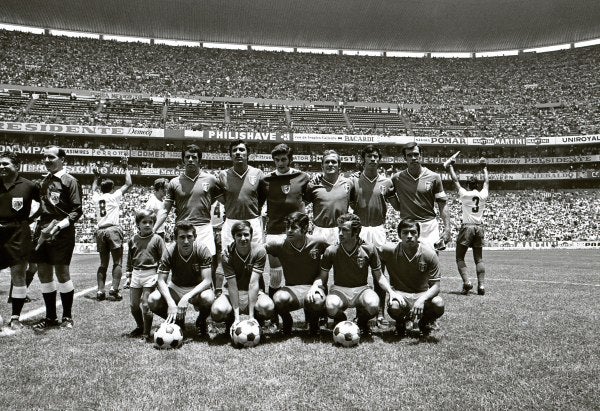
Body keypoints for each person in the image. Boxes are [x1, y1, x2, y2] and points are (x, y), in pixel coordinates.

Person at [30, 145, 83, 330]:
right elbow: (42, 208)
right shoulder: (44, 182)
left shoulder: (70, 181)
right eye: (44, 157)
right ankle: (50, 317)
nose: (46, 161)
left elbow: (77, 211)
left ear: (62, 159)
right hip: (42, 230)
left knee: (62, 273)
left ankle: (67, 317)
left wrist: (59, 226)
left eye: (51, 157)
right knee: (44, 273)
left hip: (61, 232)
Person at [154, 144, 222, 263]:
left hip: (204, 227)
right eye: (187, 157)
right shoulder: (174, 182)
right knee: (184, 265)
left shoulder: (211, 179)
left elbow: (222, 200)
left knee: (207, 264)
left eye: (194, 157)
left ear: (199, 160)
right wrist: (154, 229)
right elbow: (165, 210)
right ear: (183, 160)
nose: (190, 160)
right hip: (183, 229)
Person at [378, 218, 445, 337]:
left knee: (438, 303)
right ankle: (401, 323)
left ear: (418, 234)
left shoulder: (429, 253)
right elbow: (375, 262)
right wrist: (391, 291)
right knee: (394, 306)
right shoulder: (388, 250)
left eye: (413, 232)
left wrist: (422, 299)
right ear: (399, 235)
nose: (409, 236)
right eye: (405, 233)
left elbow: (436, 286)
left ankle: (424, 322)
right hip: (400, 294)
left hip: (422, 294)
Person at [350, 145, 394, 326]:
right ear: (363, 159)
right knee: (358, 272)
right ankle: (361, 312)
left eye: (376, 156)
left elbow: (397, 205)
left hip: (378, 229)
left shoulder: (387, 182)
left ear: (379, 159)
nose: (373, 159)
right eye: (369, 156)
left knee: (379, 272)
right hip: (360, 229)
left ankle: (380, 313)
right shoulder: (354, 181)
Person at [265, 212, 328, 336]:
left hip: (313, 287)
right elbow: (255, 249)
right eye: (287, 227)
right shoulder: (279, 244)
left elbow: (336, 251)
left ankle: (314, 324)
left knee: (316, 299)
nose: (289, 231)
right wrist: (231, 248)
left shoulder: (318, 242)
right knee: (278, 298)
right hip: (291, 289)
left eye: (293, 227)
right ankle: (287, 322)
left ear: (305, 229)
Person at [320, 213, 383, 335]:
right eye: (339, 229)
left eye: (344, 230)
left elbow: (379, 276)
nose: (340, 233)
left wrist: (391, 292)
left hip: (362, 290)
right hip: (339, 290)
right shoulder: (331, 250)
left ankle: (361, 322)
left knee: (374, 304)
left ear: (355, 232)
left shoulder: (368, 249)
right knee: (331, 305)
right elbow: (322, 278)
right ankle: (341, 320)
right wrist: (315, 287)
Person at [148, 220, 214, 336]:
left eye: (189, 237)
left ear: (195, 237)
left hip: (197, 289)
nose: (186, 241)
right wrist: (171, 302)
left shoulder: (202, 249)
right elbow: (161, 280)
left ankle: (201, 321)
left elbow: (207, 281)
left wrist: (187, 297)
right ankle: (178, 321)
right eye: (182, 237)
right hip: (176, 287)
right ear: (175, 238)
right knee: (153, 300)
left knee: (208, 298)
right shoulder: (169, 251)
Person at [262, 144, 310, 302]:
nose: (280, 163)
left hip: (297, 231)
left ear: (290, 159)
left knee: (300, 271)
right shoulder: (266, 180)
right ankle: (273, 314)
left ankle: (310, 311)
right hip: (275, 230)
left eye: (283, 159)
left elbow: (309, 198)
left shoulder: (302, 177)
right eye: (276, 160)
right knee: (275, 273)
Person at [211, 221, 274, 333]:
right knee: (217, 311)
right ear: (233, 237)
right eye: (239, 235)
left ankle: (257, 320)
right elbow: (232, 285)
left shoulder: (259, 251)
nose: (243, 238)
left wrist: (250, 317)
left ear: (251, 235)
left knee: (268, 307)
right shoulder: (227, 254)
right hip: (232, 291)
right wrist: (237, 318)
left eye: (246, 234)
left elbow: (253, 284)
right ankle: (230, 320)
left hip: (254, 291)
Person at [0, 151, 40, 329]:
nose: (1, 166)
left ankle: (15, 317)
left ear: (17, 166)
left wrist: (29, 220)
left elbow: (42, 207)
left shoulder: (29, 186)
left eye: (5, 164)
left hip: (19, 233)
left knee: (19, 275)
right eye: (0, 164)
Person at [386, 142, 451, 250]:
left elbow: (442, 204)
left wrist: (447, 229)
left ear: (421, 155)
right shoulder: (397, 178)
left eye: (416, 154)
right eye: (409, 155)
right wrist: (391, 196)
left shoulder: (434, 177)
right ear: (404, 158)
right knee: (408, 263)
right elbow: (398, 207)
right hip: (408, 226)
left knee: (431, 261)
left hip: (428, 226)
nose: (413, 158)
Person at [445, 156, 489, 295]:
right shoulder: (483, 195)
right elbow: (487, 181)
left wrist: (450, 166)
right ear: (477, 185)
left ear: (469, 185)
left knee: (459, 257)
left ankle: (467, 282)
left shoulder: (464, 194)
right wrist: (484, 168)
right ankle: (481, 286)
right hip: (479, 226)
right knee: (479, 259)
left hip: (467, 226)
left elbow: (455, 180)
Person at [91, 158, 132, 301]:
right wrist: (126, 167)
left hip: (100, 230)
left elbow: (93, 189)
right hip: (113, 229)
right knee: (117, 262)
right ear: (112, 188)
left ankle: (100, 291)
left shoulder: (97, 198)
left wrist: (96, 178)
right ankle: (114, 289)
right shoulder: (114, 196)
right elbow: (128, 183)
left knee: (103, 263)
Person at [125, 209, 165, 341]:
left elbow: (163, 258)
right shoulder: (133, 239)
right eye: (144, 222)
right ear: (138, 224)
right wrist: (128, 274)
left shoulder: (157, 239)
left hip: (151, 273)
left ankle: (147, 333)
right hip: (136, 273)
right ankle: (140, 326)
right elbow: (130, 258)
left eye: (150, 222)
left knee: (146, 305)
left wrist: (160, 274)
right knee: (133, 305)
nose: (148, 225)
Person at [305, 150, 356, 245]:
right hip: (320, 231)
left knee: (340, 259)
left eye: (333, 161)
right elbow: (301, 205)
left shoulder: (348, 183)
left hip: (341, 230)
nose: (330, 164)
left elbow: (354, 205)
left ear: (339, 166)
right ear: (322, 166)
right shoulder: (313, 185)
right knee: (320, 259)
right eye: (327, 162)